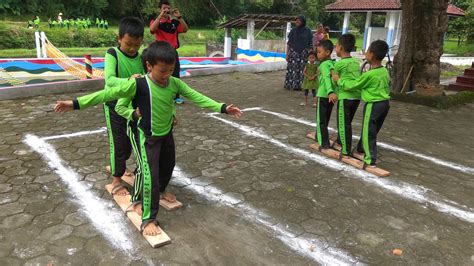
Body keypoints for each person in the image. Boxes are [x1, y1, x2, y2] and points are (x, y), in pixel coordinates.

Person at [54, 41, 243, 236]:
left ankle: (159, 191)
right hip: (147, 138)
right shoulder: (138, 85)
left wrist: (222, 108)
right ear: (149, 66)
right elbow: (108, 93)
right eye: (162, 71)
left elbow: (197, 97)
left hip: (166, 134)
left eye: (170, 70)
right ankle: (147, 217)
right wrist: (75, 104)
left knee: (168, 166)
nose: (166, 75)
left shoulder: (174, 83)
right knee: (148, 175)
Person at [101, 17, 146, 197]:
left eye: (137, 44)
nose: (133, 48)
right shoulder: (112, 53)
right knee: (118, 142)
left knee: (132, 142)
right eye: (128, 44)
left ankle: (125, 166)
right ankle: (116, 178)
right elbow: (109, 80)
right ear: (119, 38)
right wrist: (129, 80)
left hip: (132, 107)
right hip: (113, 104)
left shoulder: (142, 59)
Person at [333, 40, 390, 167]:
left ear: (372, 54)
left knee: (368, 131)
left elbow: (353, 85)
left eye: (367, 50)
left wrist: (339, 80)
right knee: (372, 130)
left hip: (373, 105)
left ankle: (370, 160)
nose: (365, 52)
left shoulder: (369, 74)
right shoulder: (384, 71)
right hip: (385, 104)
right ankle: (360, 150)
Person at [150, 0, 189, 104]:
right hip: (160, 52)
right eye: (164, 8)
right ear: (160, 9)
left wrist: (179, 17)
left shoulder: (175, 22)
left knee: (175, 74)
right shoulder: (156, 21)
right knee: (159, 73)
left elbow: (185, 29)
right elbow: (152, 30)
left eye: (168, 8)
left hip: (172, 51)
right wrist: (160, 16)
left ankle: (176, 97)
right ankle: (157, 94)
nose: (166, 10)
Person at [332, 34, 361, 157]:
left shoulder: (339, 64)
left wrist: (334, 77)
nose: (335, 47)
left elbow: (334, 79)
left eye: (337, 45)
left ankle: (346, 149)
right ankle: (340, 141)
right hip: (356, 97)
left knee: (343, 124)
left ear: (341, 48)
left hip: (345, 97)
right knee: (347, 121)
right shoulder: (355, 62)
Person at [315, 40, 337, 150]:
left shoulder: (324, 64)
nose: (317, 54)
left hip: (324, 94)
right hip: (331, 96)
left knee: (321, 119)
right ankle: (318, 135)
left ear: (327, 52)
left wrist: (329, 92)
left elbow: (327, 79)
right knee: (326, 118)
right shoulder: (334, 63)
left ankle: (323, 142)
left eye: (319, 52)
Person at [284, 15, 313, 90]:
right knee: (293, 69)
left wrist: (311, 55)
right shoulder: (293, 31)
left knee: (303, 70)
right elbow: (289, 43)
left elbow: (310, 44)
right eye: (296, 20)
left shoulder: (308, 31)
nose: (297, 21)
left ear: (303, 21)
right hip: (293, 53)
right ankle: (292, 85)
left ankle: (301, 86)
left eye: (299, 20)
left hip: (304, 54)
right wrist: (287, 54)